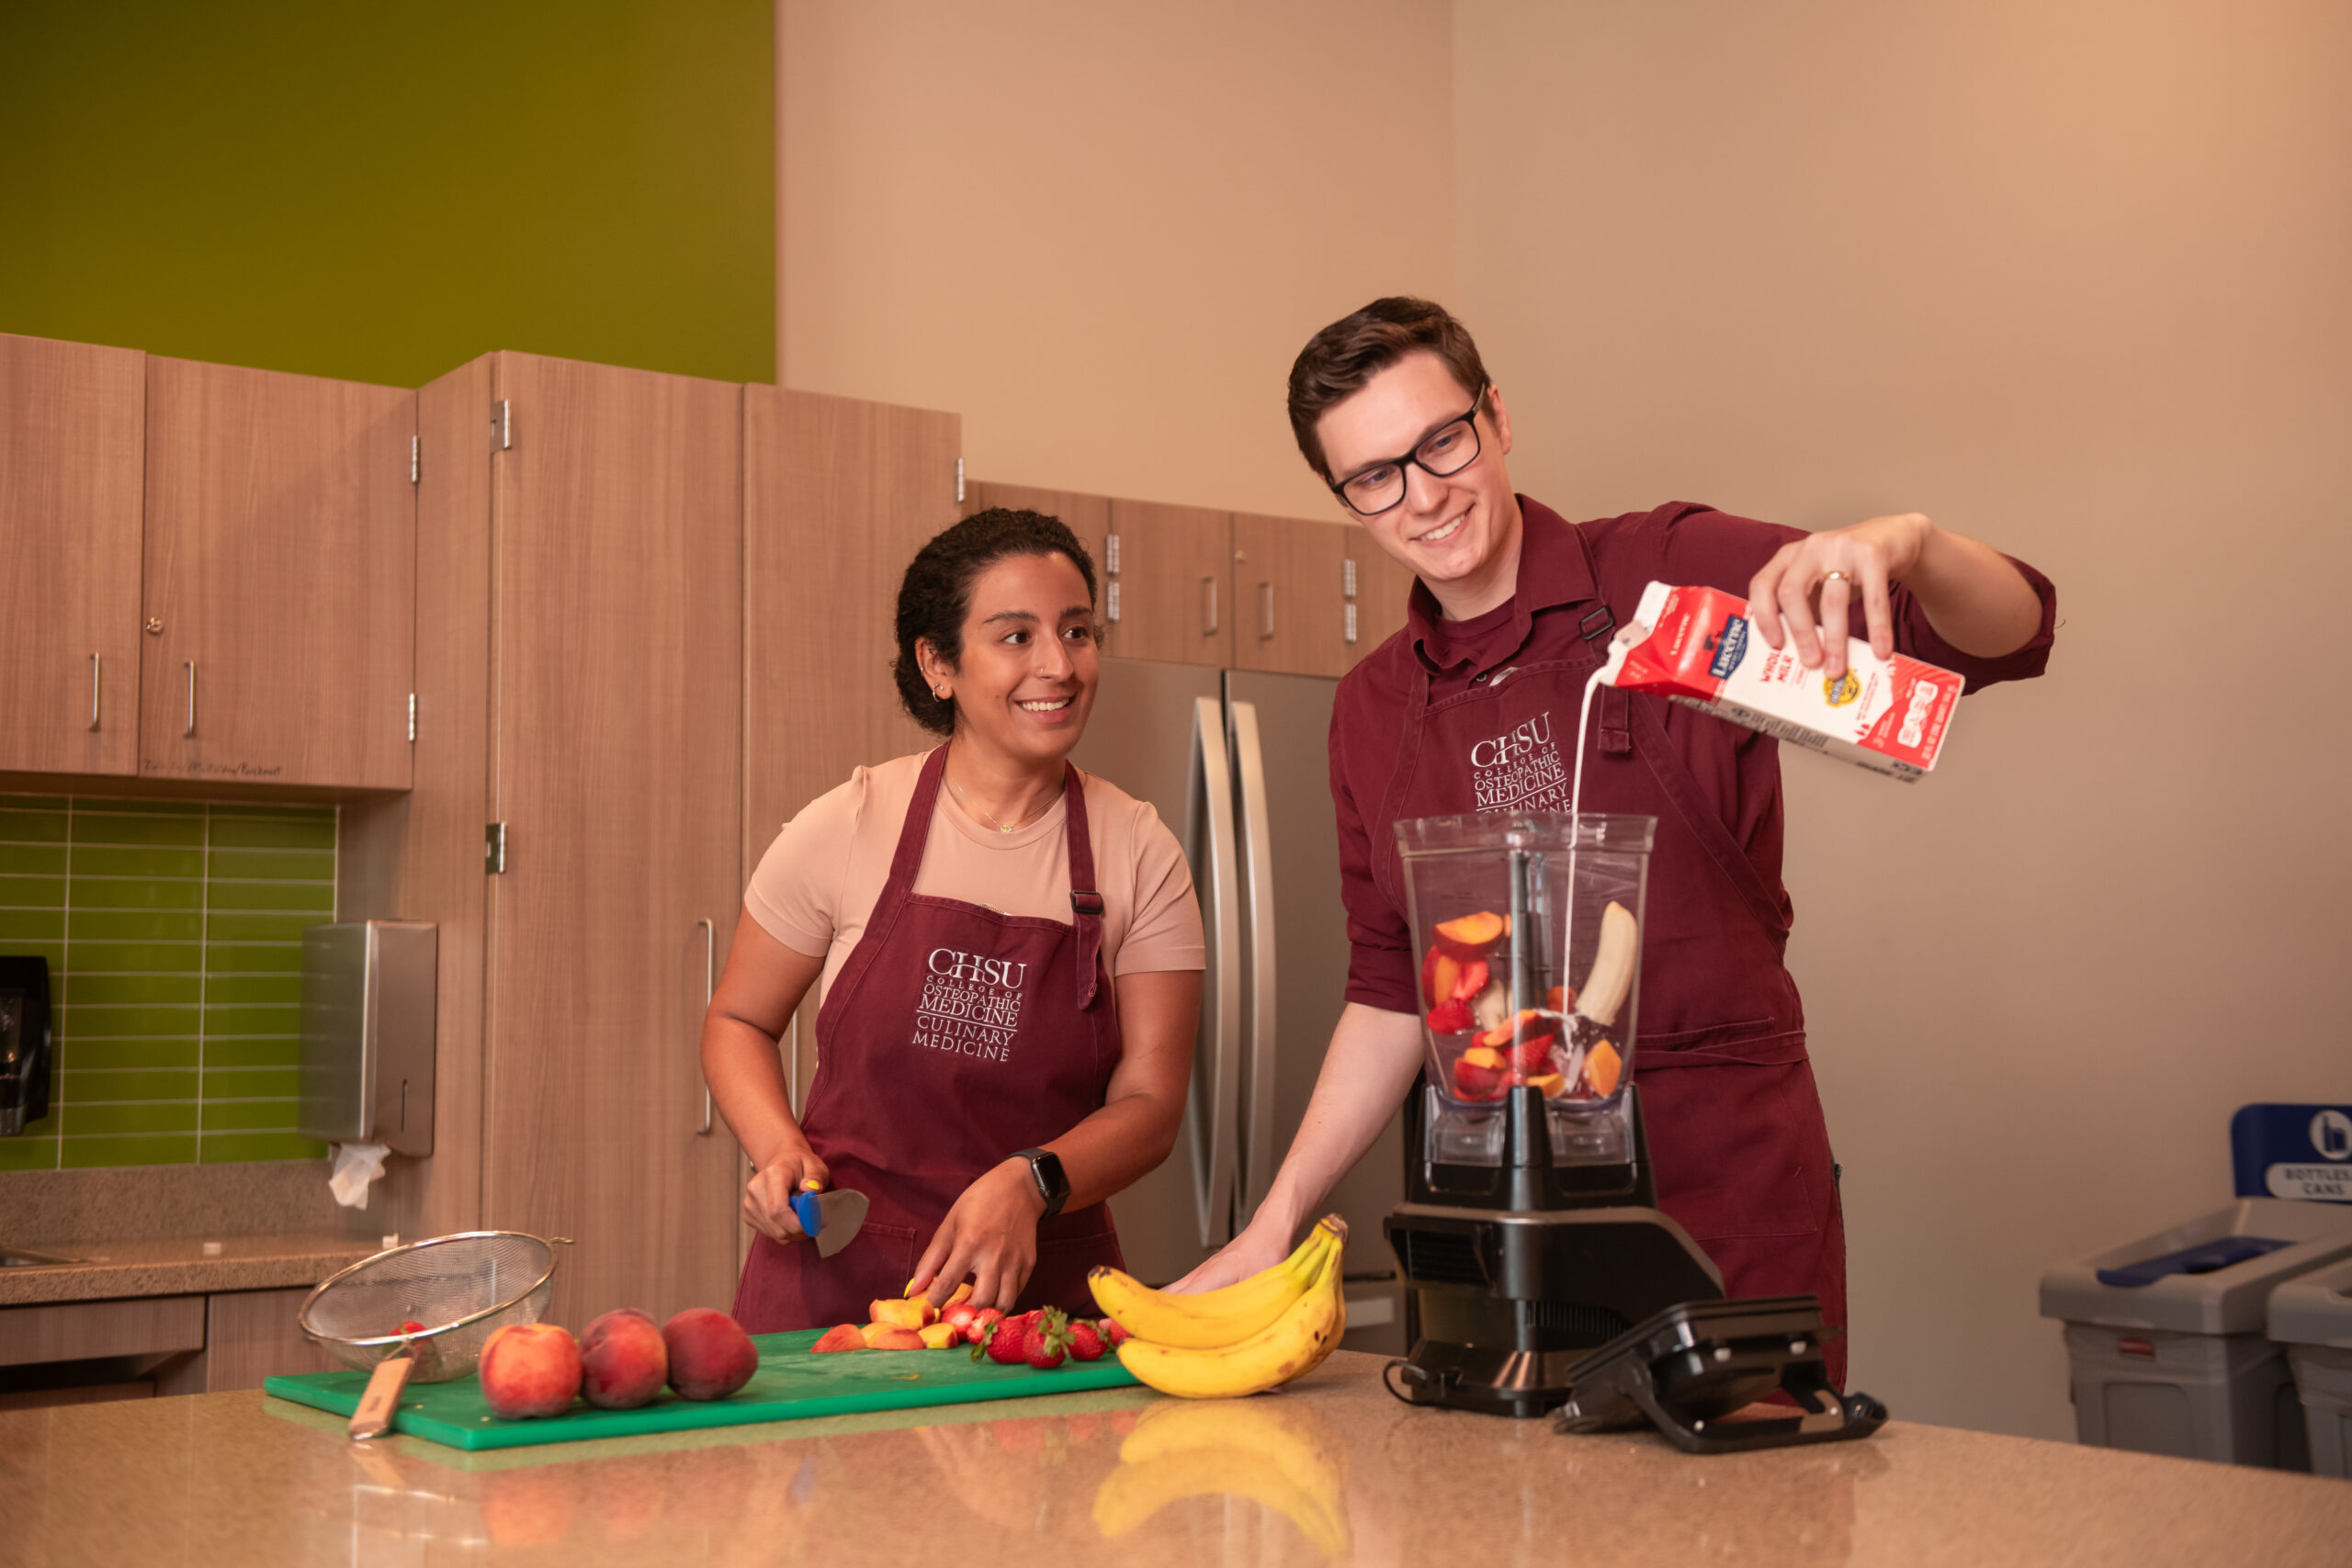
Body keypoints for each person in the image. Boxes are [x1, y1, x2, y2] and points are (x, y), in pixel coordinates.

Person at [1172, 298, 2056, 1385]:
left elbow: (2008, 637)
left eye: (1440, 442)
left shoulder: (1661, 573)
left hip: (1723, 1192)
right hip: (1500, 1207)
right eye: (1374, 477)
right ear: (1346, 498)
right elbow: (1390, 989)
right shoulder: (1369, 709)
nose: (1422, 496)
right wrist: (1276, 1220)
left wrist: (1908, 543)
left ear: (1496, 417)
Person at [704, 509, 1205, 1326]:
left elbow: (1152, 1104)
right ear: (938, 665)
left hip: (1038, 1308)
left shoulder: (1139, 849)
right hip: (837, 1293)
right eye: (1016, 636)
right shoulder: (850, 822)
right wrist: (778, 1148)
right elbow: (736, 1019)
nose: (1059, 664)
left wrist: (1031, 1179)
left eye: (1078, 631)